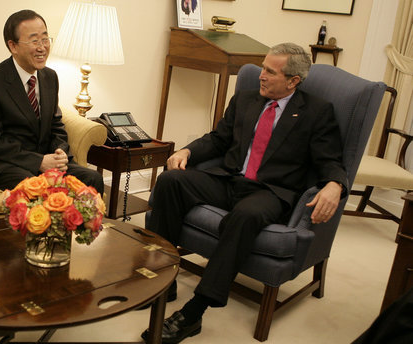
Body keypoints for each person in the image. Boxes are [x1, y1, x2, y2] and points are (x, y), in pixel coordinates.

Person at [142, 43, 347, 343]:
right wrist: (187, 150)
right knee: (171, 180)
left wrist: (335, 184)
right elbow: (218, 139)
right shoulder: (246, 99)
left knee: (246, 215)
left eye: (269, 72)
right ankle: (163, 279)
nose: (260, 76)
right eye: (263, 68)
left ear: (293, 81)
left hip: (270, 192)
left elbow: (331, 160)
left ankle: (193, 313)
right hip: (229, 180)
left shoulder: (316, 112)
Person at [0, 10, 104, 194]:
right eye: (34, 41)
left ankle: (85, 224)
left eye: (45, 39)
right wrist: (38, 162)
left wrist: (59, 151)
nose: (42, 47)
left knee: (92, 179)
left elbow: (56, 124)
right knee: (36, 186)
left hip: (44, 160)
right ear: (13, 46)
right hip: (5, 163)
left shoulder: (50, 77)